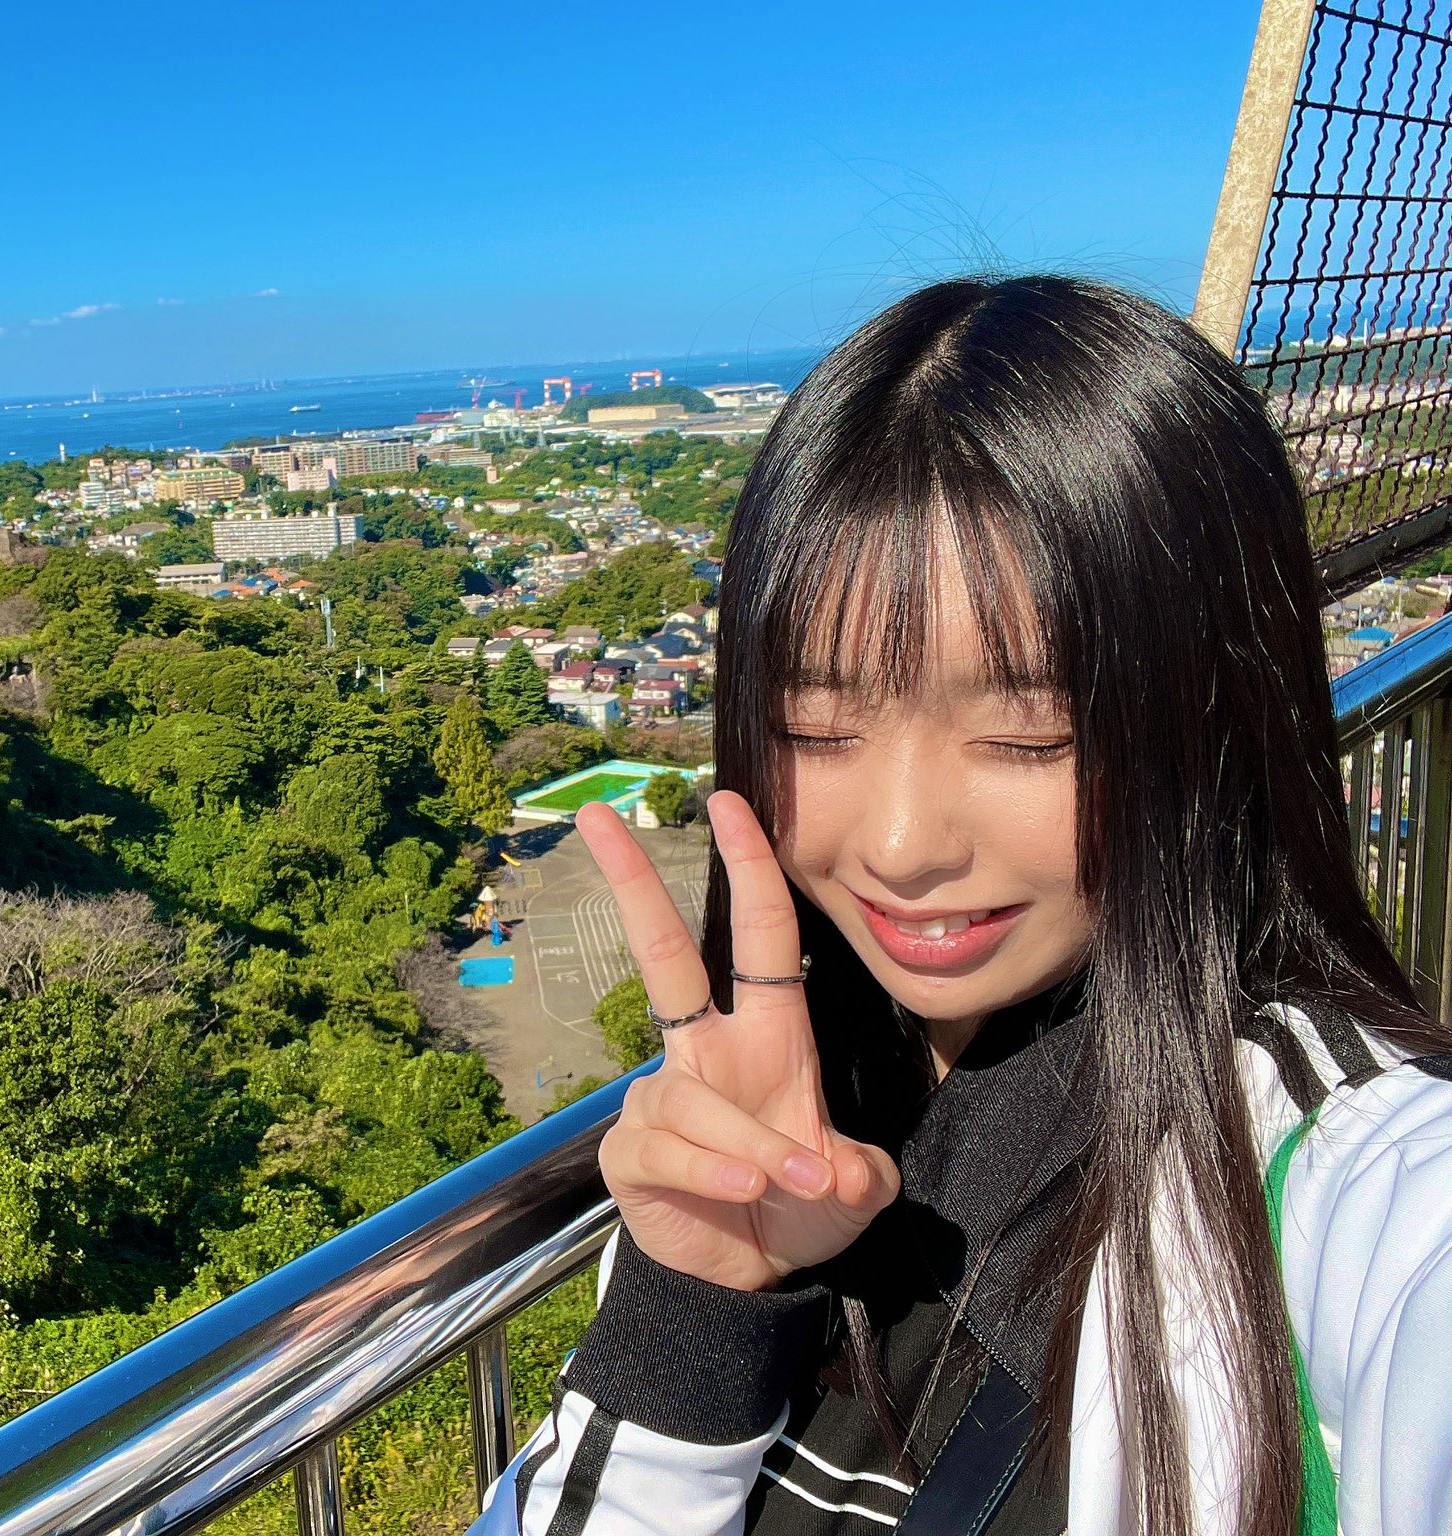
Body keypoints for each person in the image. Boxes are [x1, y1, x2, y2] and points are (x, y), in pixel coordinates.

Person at [467, 275, 1452, 1536]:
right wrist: (692, 1307)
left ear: (1215, 717)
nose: (897, 846)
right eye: (814, 728)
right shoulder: (762, 1125)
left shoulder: (1354, 1192)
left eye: (1030, 735)